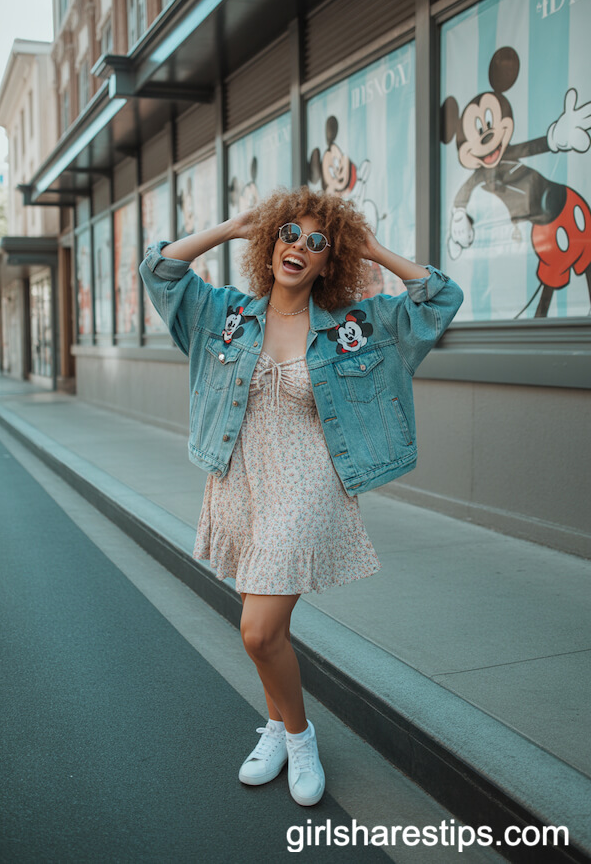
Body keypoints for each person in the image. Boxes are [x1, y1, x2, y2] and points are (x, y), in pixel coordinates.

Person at [139, 186, 463, 808]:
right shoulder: (225, 314)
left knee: (258, 632)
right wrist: (234, 224)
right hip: (240, 481)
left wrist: (371, 248)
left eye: (318, 242)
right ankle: (277, 732)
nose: (299, 247)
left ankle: (300, 735)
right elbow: (160, 268)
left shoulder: (354, 327)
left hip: (307, 485)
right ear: (270, 244)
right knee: (274, 627)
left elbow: (438, 299)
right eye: (289, 233)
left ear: (328, 261)